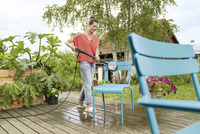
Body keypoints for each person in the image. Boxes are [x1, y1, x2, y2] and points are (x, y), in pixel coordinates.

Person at [65, 16, 100, 112]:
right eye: (93, 26)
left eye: (96, 27)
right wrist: (72, 47)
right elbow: (66, 41)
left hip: (93, 62)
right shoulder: (80, 36)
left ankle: (80, 101)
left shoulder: (96, 38)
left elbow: (97, 49)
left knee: (87, 84)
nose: (95, 29)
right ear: (89, 25)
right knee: (88, 84)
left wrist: (97, 56)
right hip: (84, 62)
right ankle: (88, 105)